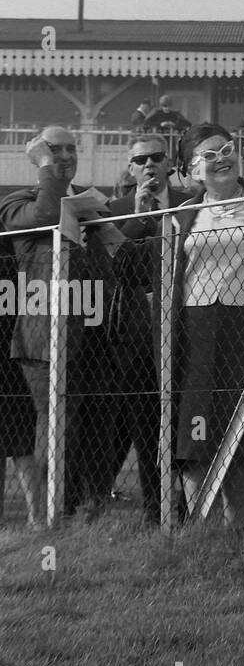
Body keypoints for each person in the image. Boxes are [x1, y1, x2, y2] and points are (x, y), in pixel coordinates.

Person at [0, 126, 118, 516]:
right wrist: (46, 166)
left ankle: (90, 508)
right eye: (55, 149)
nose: (65, 156)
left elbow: (120, 251)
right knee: (53, 420)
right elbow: (48, 214)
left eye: (70, 149)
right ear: (37, 155)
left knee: (97, 425)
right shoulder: (18, 202)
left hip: (95, 330)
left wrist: (106, 220)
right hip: (43, 332)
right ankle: (50, 513)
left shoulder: (92, 201)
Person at [171, 123, 244, 525]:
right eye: (209, 155)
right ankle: (201, 529)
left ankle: (239, 531)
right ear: (192, 170)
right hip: (197, 328)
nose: (222, 159)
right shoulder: (182, 214)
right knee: (196, 430)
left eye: (227, 150)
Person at [103, 135, 190, 522]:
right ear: (131, 168)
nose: (149, 164)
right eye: (141, 160)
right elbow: (114, 265)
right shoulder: (116, 210)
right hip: (136, 334)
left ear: (168, 163)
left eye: (156, 157)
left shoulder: (191, 201)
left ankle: (190, 504)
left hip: (187, 323)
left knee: (186, 416)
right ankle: (156, 509)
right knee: (146, 422)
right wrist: (138, 218)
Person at [0, 240, 40, 527]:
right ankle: (37, 518)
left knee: (22, 445)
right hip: (16, 358)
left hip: (13, 361)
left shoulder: (13, 261)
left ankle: (36, 517)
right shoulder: (17, 260)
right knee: (22, 445)